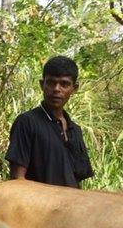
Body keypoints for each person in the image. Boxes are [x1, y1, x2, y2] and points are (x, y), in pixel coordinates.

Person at [5, 55, 94, 188]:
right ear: (42, 85)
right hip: (38, 206)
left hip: (71, 205)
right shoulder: (27, 122)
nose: (57, 89)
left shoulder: (75, 130)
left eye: (64, 84)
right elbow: (17, 180)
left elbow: (78, 180)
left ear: (74, 88)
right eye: (51, 82)